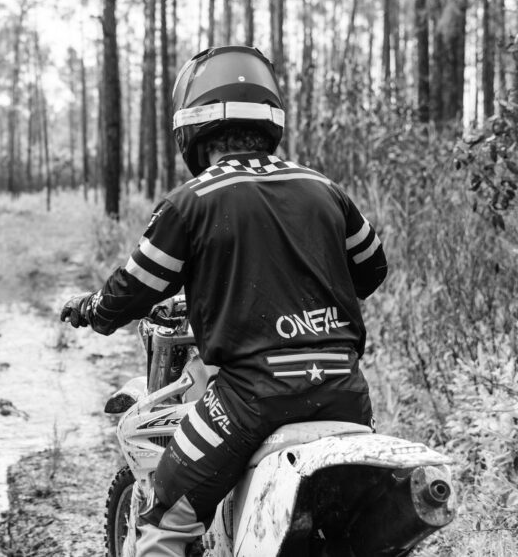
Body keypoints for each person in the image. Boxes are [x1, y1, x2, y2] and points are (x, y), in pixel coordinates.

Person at [59, 46, 387, 556]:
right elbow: (371, 268)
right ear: (271, 119)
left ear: (191, 126)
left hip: (249, 399)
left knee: (163, 517)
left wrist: (90, 311)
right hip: (347, 391)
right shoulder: (325, 190)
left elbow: (131, 289)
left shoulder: (193, 201)